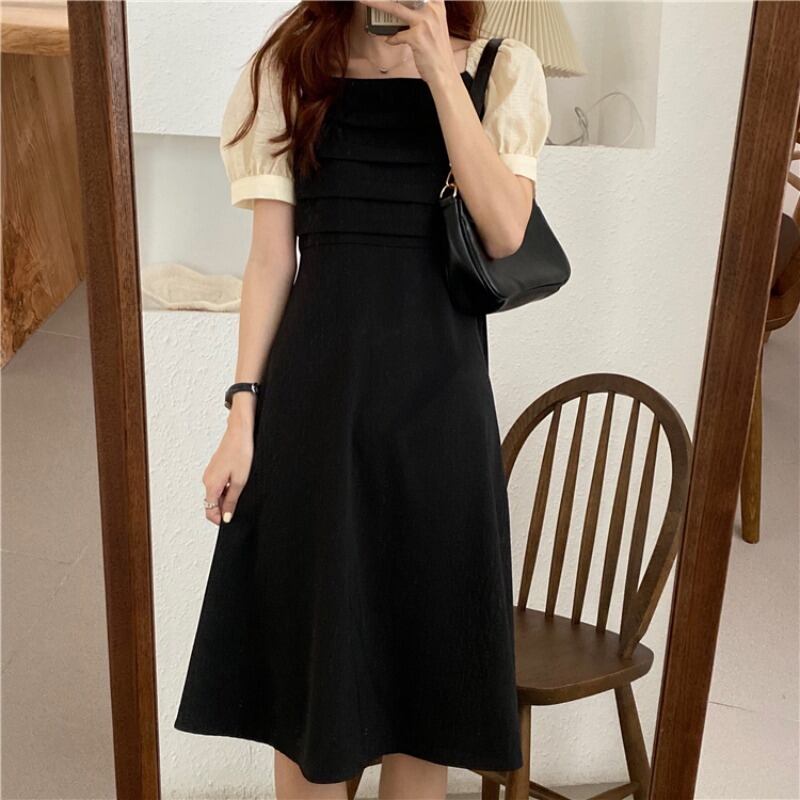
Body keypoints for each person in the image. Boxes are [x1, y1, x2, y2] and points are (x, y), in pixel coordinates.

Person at [174, 2, 551, 798]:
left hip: (438, 421)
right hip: (314, 414)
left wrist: (440, 70)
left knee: (425, 706)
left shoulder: (498, 70)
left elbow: (504, 231)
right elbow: (270, 262)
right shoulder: (289, 69)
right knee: (307, 697)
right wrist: (241, 414)